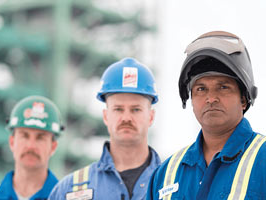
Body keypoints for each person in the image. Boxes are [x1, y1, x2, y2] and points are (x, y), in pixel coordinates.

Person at [147, 31, 266, 200]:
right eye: (201, 89)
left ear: (244, 99)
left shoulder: (263, 159)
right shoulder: (165, 174)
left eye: (223, 87)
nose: (211, 99)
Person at [49, 57, 161, 199]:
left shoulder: (173, 184)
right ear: (106, 115)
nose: (126, 117)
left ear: (151, 116)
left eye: (136, 109)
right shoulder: (68, 190)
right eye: (118, 109)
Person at [0, 95, 64, 199]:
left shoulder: (63, 197)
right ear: (12, 142)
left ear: (53, 147)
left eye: (40, 137)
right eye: (25, 135)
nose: (31, 146)